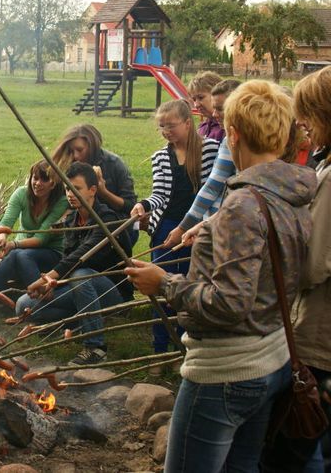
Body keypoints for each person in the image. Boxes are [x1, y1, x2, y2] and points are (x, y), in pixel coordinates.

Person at [125, 80, 316, 472]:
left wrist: (164, 283)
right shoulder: (293, 192)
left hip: (227, 370)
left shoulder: (242, 206)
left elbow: (229, 303)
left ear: (233, 134)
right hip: (272, 357)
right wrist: (212, 226)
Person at [260, 66, 331, 472]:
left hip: (319, 335)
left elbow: (311, 266)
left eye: (309, 115)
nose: (303, 125)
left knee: (292, 447)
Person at [19, 162, 132, 365]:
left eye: (76, 189)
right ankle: (78, 322)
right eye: (67, 189)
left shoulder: (105, 218)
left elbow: (81, 256)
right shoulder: (72, 220)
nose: (70, 194)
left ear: (92, 190)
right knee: (24, 305)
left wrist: (51, 276)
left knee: (81, 275)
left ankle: (95, 347)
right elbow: (66, 259)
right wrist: (52, 284)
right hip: (79, 289)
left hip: (110, 293)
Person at [130, 99, 219, 358]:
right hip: (167, 224)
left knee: (192, 284)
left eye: (171, 125)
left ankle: (187, 347)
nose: (167, 131)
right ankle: (160, 347)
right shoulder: (160, 157)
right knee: (161, 285)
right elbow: (160, 193)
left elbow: (212, 192)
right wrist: (143, 204)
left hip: (199, 225)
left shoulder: (211, 149)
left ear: (187, 124)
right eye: (161, 127)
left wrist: (196, 225)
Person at [0, 160, 69, 321]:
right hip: (22, 254)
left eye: (44, 180)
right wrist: (2, 237)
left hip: (51, 254)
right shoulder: (21, 194)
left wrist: (13, 244)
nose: (37, 183)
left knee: (19, 255)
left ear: (54, 183)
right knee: (17, 256)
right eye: (35, 178)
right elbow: (6, 222)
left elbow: (42, 238)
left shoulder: (61, 202)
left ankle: (41, 300)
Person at [163, 79, 241, 248]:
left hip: (223, 229)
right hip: (217, 222)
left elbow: (213, 186)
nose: (214, 114)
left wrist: (184, 226)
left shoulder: (231, 140)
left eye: (220, 108)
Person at [51, 123, 137, 216]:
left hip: (114, 223)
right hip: (80, 222)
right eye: (71, 151)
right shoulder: (68, 164)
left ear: (92, 146)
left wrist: (104, 193)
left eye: (80, 150)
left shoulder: (114, 164)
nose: (75, 155)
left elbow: (130, 206)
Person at [187, 71, 223, 142]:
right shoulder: (202, 127)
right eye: (194, 99)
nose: (196, 105)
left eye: (201, 98)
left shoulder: (226, 128)